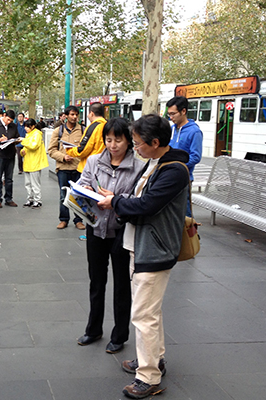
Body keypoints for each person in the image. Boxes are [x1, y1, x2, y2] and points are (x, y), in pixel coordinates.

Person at [97, 114, 189, 399]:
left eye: (137, 143)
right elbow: (138, 199)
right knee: (149, 310)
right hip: (140, 244)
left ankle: (148, 377)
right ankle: (153, 358)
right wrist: (119, 199)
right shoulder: (155, 163)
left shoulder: (174, 170)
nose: (133, 148)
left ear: (156, 142)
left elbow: (147, 204)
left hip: (155, 248)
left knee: (143, 314)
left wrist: (116, 201)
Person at [75, 118, 144, 354]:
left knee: (122, 285)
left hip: (121, 231)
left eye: (118, 140)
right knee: (96, 281)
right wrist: (89, 194)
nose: (113, 145)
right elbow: (83, 185)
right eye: (108, 139)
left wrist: (116, 199)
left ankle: (119, 335)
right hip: (95, 228)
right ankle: (93, 329)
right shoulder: (94, 161)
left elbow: (138, 200)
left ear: (128, 141)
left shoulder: (138, 167)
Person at [47, 105, 85, 230]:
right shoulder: (58, 131)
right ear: (66, 115)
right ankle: (63, 219)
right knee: (63, 195)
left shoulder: (83, 130)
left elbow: (86, 149)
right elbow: (51, 150)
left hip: (78, 168)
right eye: (72, 114)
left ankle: (78, 220)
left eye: (76, 115)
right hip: (63, 168)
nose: (74, 117)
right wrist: (63, 157)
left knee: (77, 195)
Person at [167, 96, 203, 216]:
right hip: (168, 174)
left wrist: (179, 166)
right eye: (169, 115)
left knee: (184, 211)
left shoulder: (194, 132)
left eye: (173, 114)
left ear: (183, 111)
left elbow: (195, 156)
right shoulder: (172, 129)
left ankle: (189, 234)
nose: (171, 118)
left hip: (183, 176)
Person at [66, 102, 107, 173]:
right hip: (104, 166)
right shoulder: (108, 125)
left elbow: (83, 150)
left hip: (89, 168)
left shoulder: (93, 127)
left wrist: (69, 151)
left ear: (92, 113)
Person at [20, 119, 48, 208]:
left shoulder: (37, 134)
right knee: (28, 183)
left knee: (35, 183)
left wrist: (23, 141)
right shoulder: (29, 135)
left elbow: (33, 146)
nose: (26, 128)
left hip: (35, 162)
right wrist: (22, 151)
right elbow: (25, 147)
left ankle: (37, 200)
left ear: (33, 126)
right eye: (25, 126)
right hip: (28, 161)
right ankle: (30, 199)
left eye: (28, 126)